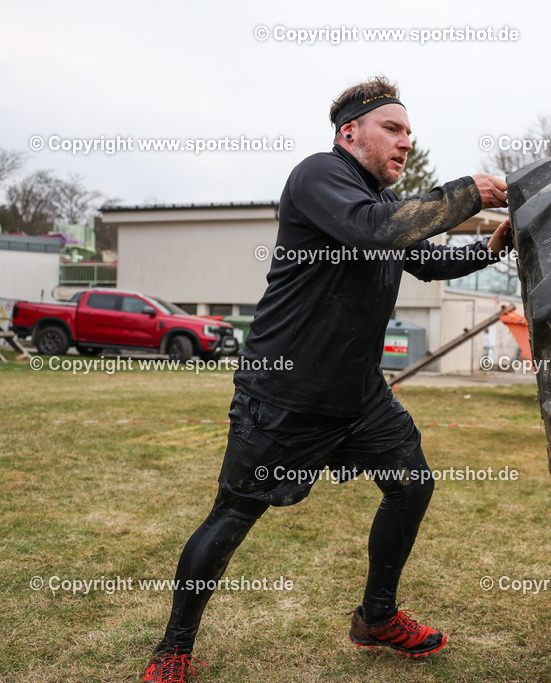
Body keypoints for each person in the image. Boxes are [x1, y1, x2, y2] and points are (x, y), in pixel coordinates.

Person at [142, 75, 511, 682]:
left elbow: (424, 258)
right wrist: (471, 191)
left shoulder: (386, 206)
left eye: (410, 133)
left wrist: (492, 249)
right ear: (350, 132)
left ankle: (376, 618)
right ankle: (173, 648)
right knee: (233, 516)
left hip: (358, 395)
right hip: (285, 393)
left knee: (411, 487)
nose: (406, 142)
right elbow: (373, 232)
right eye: (392, 129)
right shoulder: (319, 176)